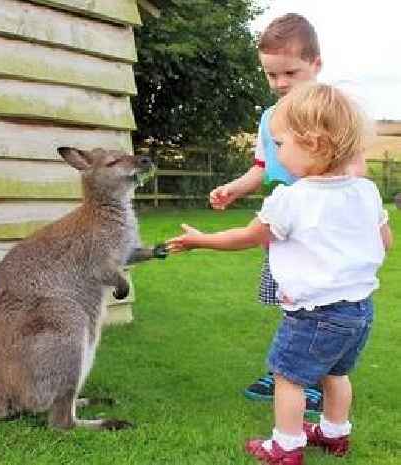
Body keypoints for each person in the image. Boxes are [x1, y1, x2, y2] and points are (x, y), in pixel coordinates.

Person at [168, 83, 392, 464]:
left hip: (314, 313)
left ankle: (285, 447)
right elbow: (384, 241)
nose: (277, 152)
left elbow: (249, 236)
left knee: (289, 377)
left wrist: (201, 240)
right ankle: (335, 435)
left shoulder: (291, 198)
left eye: (282, 142)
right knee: (337, 374)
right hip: (359, 310)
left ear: (314, 144)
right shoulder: (366, 192)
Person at [210, 13, 330, 413]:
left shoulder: (330, 111)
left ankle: (310, 381)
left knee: (321, 304)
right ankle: (286, 371)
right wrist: (233, 188)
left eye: (290, 73)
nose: (280, 84)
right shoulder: (268, 119)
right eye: (271, 75)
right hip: (283, 224)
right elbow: (262, 170)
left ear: (316, 64)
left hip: (321, 227)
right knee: (290, 301)